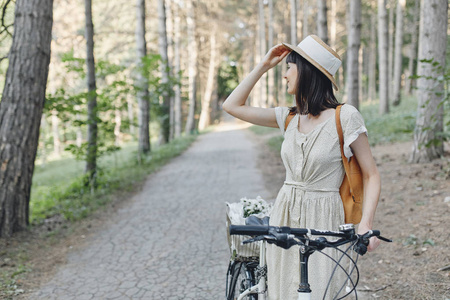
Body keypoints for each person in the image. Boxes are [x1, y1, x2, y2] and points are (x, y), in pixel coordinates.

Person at [222, 35, 381, 299]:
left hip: (324, 219)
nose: (284, 74)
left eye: (288, 67)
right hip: (284, 215)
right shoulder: (288, 117)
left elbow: (371, 173)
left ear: (306, 71)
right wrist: (263, 65)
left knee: (321, 291)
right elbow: (232, 106)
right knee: (282, 290)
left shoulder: (346, 117)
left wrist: (366, 223)